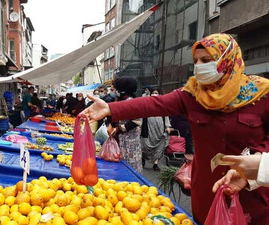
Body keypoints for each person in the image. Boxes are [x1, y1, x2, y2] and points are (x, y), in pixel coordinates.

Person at [80, 33, 269, 225]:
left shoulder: (262, 95)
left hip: (251, 195)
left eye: (206, 60)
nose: (199, 66)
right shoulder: (192, 94)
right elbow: (154, 104)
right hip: (206, 195)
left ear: (227, 60)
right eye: (196, 61)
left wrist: (256, 162)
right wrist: (110, 108)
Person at [111, 77, 143, 172]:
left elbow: (136, 121)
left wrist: (118, 129)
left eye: (115, 89)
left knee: (130, 165)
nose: (114, 91)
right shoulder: (120, 101)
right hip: (122, 140)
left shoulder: (131, 102)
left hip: (130, 141)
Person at [141, 89, 172, 172]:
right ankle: (143, 159)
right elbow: (141, 117)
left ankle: (155, 164)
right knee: (145, 146)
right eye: (153, 93)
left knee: (159, 148)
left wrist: (168, 127)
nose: (155, 94)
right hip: (148, 131)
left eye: (156, 93)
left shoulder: (163, 106)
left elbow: (166, 118)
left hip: (159, 132)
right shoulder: (146, 105)